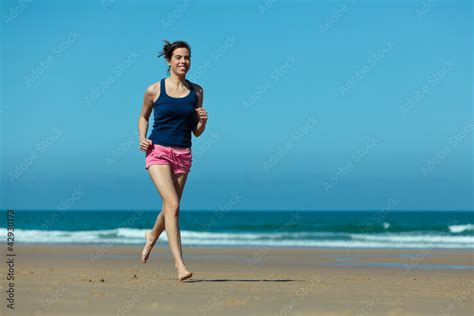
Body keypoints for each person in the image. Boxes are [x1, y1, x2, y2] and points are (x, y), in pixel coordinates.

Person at [137, 40, 208, 281]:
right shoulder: (154, 89)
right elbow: (143, 116)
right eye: (178, 57)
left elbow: (196, 132)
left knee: (169, 206)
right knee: (174, 205)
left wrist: (203, 122)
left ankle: (151, 237)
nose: (183, 62)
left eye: (187, 57)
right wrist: (141, 138)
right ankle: (180, 265)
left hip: (183, 153)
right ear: (169, 61)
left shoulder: (197, 92)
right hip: (158, 151)